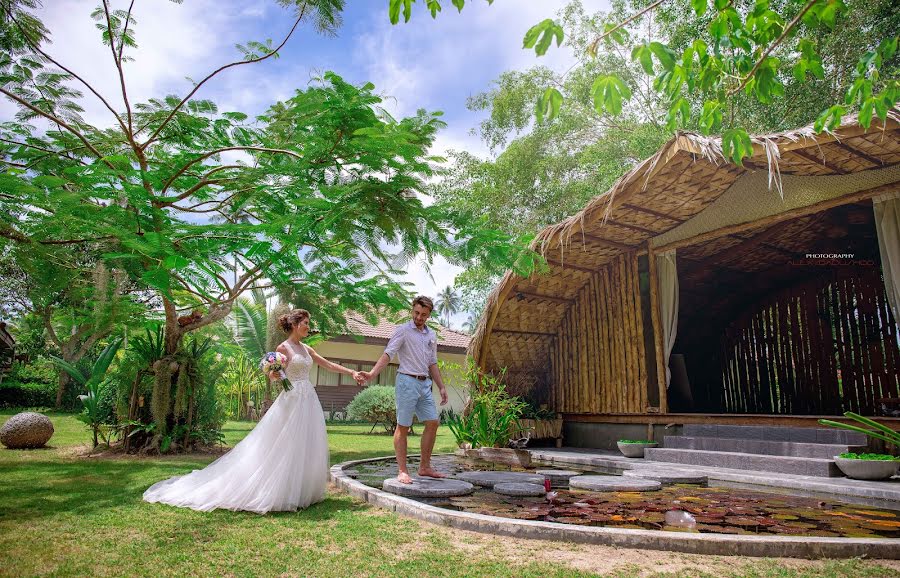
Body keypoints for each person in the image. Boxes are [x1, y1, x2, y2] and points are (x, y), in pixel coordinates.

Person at [143, 309, 364, 514]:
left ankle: (301, 490)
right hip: (291, 399)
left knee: (305, 442)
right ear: (295, 325)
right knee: (284, 443)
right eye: (306, 323)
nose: (308, 327)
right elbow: (273, 374)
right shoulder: (283, 348)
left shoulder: (307, 349)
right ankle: (278, 490)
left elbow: (328, 365)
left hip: (308, 398)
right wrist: (275, 374)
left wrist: (351, 373)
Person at [361, 296, 448, 484]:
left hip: (425, 383)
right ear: (412, 311)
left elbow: (432, 362)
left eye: (424, 315)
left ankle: (424, 467)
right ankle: (402, 470)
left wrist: (441, 386)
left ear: (429, 315)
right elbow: (388, 354)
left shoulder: (431, 335)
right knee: (403, 426)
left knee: (433, 422)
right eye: (417, 313)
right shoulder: (403, 331)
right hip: (407, 381)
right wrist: (372, 373)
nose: (419, 317)